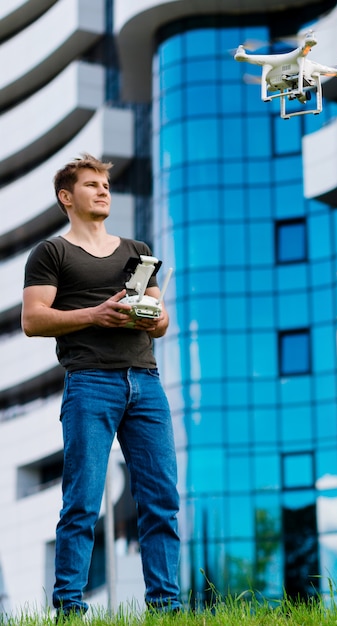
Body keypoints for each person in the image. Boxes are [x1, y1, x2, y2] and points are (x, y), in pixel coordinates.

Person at [21, 154, 181, 617]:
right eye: (92, 184)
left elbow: (160, 321)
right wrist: (96, 314)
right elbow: (33, 320)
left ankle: (166, 608)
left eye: (106, 184)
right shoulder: (51, 253)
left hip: (146, 383)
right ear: (66, 198)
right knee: (82, 503)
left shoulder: (137, 251)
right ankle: (69, 608)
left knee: (161, 500)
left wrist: (151, 314)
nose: (103, 190)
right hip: (89, 383)